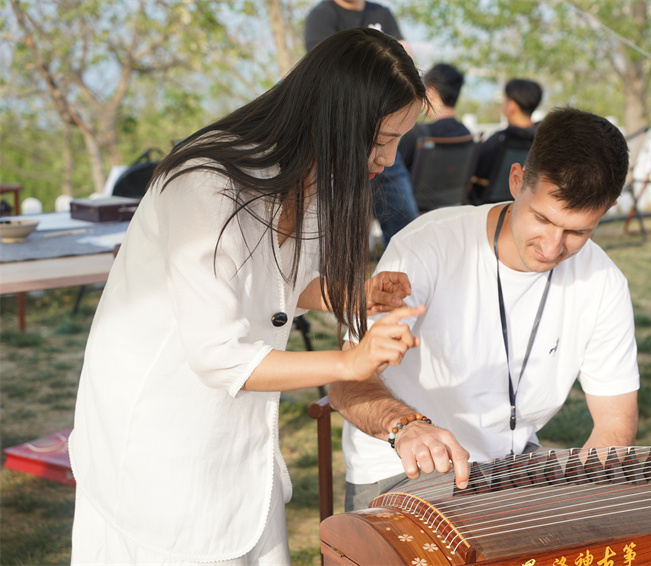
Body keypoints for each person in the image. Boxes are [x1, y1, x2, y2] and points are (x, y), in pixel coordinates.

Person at [69, 28, 426, 565]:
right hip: (158, 443)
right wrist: (352, 362)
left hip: (234, 443)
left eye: (398, 140)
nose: (387, 159)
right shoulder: (205, 183)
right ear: (328, 117)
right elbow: (218, 355)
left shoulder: (313, 180)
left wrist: (356, 293)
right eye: (378, 140)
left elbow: (277, 285)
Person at [330, 106, 640, 512]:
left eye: (577, 232)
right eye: (542, 219)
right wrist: (405, 428)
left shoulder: (604, 282)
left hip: (511, 467)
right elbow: (346, 381)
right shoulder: (428, 246)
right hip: (403, 466)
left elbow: (615, 424)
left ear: (608, 208)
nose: (551, 248)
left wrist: (573, 502)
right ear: (516, 182)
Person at [305, 0, 418, 246]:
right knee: (338, 232)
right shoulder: (322, 16)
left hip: (385, 129)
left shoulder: (382, 12)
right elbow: (326, 72)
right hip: (344, 136)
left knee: (405, 223)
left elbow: (403, 58)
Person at [468, 78, 544, 204]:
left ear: (512, 106)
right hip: (525, 204)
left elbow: (475, 168)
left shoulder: (499, 140)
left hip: (491, 206)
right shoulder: (543, 139)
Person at [397, 62, 472, 171]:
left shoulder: (417, 135)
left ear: (431, 93)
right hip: (454, 189)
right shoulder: (466, 135)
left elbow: (391, 175)